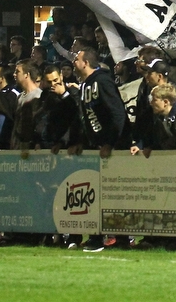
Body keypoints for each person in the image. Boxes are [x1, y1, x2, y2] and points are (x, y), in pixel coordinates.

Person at [70, 46, 128, 252]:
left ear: (86, 62)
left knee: (112, 196)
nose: (74, 61)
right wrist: (81, 142)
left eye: (77, 58)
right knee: (96, 194)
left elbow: (117, 113)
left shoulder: (102, 81)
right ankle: (99, 236)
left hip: (111, 150)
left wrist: (110, 142)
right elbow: (86, 118)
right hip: (96, 148)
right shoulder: (85, 85)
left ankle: (115, 237)